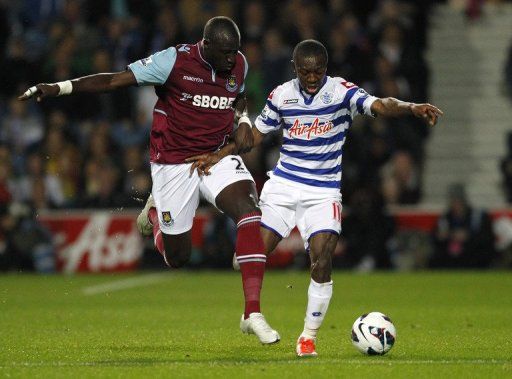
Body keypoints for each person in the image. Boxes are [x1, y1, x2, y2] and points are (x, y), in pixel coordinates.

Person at [19, 16, 280, 345]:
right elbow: (115, 81)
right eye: (226, 53)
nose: (232, 59)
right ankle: (155, 213)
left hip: (217, 156)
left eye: (235, 52)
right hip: (174, 164)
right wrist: (59, 87)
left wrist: (242, 117)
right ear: (207, 46)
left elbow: (239, 96)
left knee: (249, 209)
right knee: (178, 258)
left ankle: (252, 313)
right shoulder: (173, 61)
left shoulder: (238, 63)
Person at [187, 39, 443, 356]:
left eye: (318, 71)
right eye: (306, 71)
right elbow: (253, 135)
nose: (312, 77)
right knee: (244, 261)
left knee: (322, 260)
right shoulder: (281, 95)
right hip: (282, 187)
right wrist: (219, 154)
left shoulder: (340, 91)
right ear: (295, 69)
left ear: (325, 69)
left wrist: (411, 107)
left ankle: (308, 337)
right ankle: (249, 312)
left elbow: (379, 104)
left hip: (322, 192)